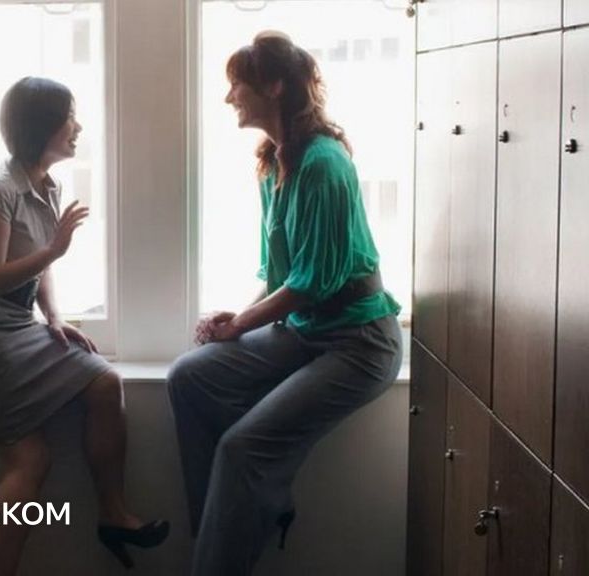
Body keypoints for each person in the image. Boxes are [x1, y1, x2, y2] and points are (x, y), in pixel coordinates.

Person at [167, 31, 403, 576]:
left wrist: (240, 326)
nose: (229, 97)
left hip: (359, 343)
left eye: (237, 85)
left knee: (242, 449)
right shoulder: (275, 163)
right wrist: (239, 315)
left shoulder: (322, 163)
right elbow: (280, 276)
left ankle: (225, 547)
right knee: (188, 377)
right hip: (304, 329)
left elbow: (311, 283)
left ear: (273, 86)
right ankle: (240, 515)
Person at [0, 76, 168, 576]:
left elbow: (37, 269)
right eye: (69, 118)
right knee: (30, 460)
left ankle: (113, 515)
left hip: (17, 322)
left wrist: (55, 318)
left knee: (105, 383)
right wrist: (55, 250)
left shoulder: (47, 186)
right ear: (41, 126)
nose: (77, 127)